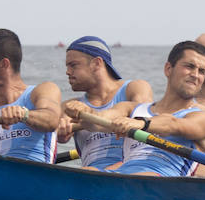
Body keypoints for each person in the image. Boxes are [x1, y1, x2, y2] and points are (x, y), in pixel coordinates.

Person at [67, 40, 205, 176]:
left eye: (202, 71)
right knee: (86, 172)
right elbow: (100, 120)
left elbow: (173, 124)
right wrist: (85, 112)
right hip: (125, 176)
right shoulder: (130, 109)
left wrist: (141, 124)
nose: (196, 75)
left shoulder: (202, 118)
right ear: (168, 69)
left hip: (162, 184)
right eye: (189, 66)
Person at [0, 29, 62, 162]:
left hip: (37, 177)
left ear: (3, 64)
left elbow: (51, 120)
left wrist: (24, 115)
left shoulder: (42, 90)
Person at [59, 36, 153, 170]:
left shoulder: (134, 88)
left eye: (73, 65)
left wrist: (83, 121)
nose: (67, 72)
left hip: (132, 169)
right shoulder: (71, 105)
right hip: (93, 175)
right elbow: (55, 131)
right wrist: (60, 132)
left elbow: (145, 123)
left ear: (97, 63)